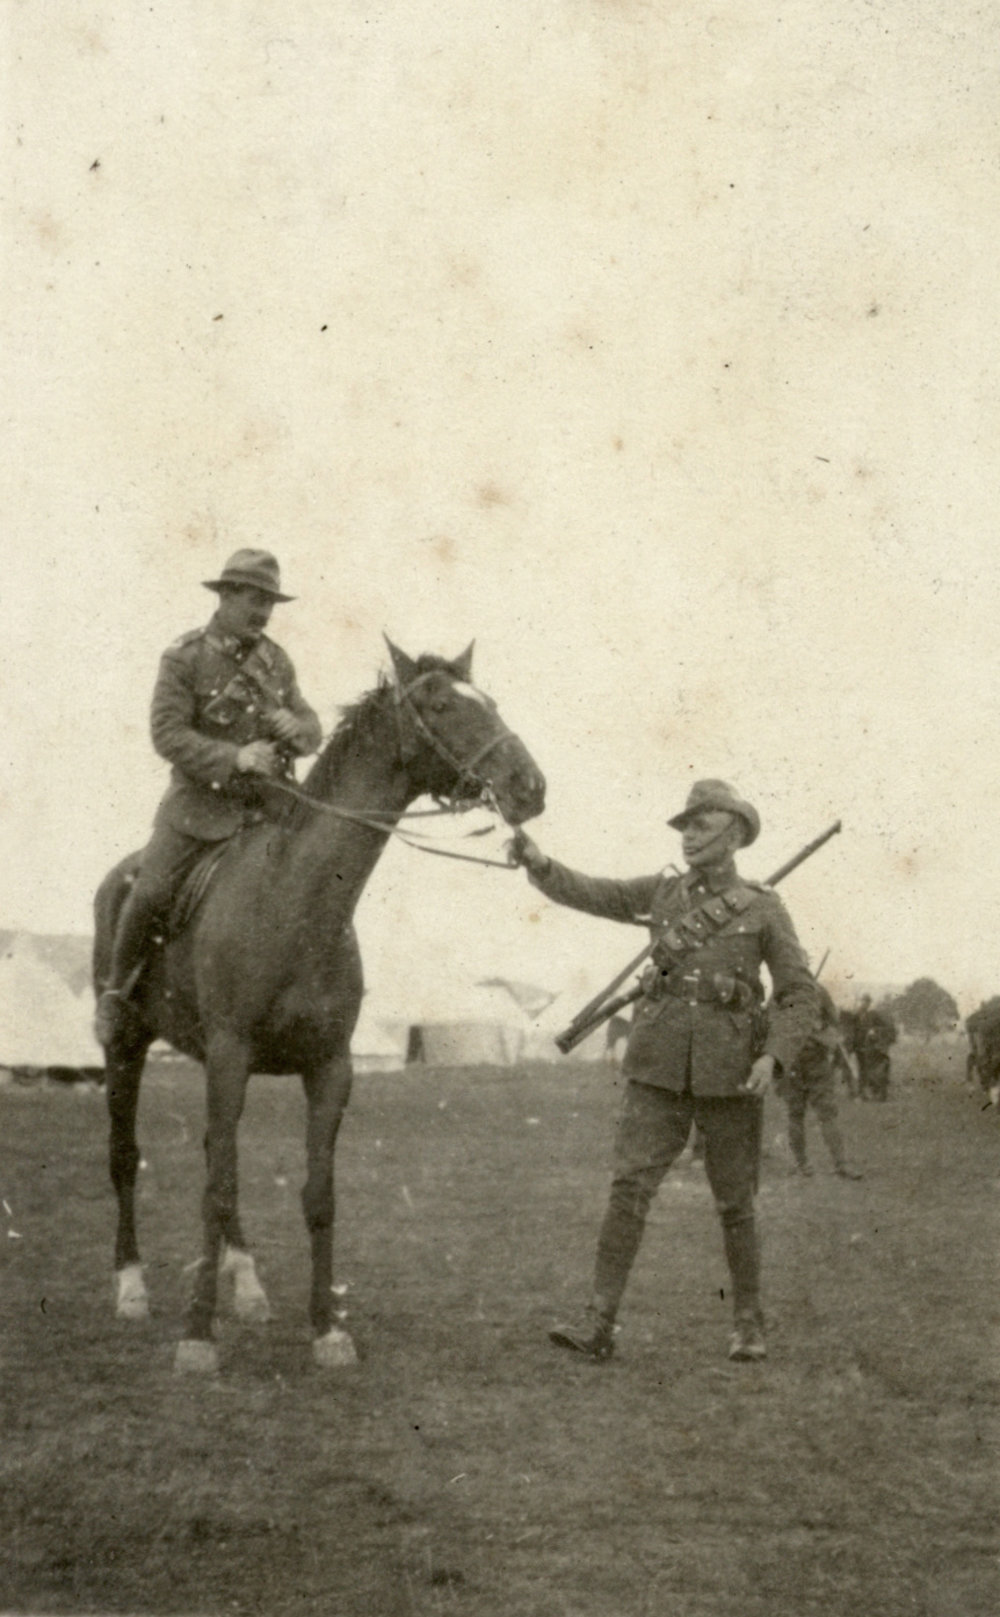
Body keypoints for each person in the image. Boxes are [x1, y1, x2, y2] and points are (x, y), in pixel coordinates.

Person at [511, 779, 817, 1364]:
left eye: (701, 826)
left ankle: (748, 1325)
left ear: (734, 834)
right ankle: (598, 1323)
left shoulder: (763, 907)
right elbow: (593, 892)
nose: (689, 837)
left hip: (731, 1072)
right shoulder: (663, 893)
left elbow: (799, 993)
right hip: (656, 1068)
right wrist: (540, 863)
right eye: (685, 827)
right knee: (628, 1190)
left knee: (735, 1203)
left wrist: (773, 1056)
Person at [94, 549, 322, 1045]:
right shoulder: (186, 657)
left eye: (269, 602)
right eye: (254, 600)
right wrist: (235, 758)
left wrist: (298, 728)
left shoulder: (276, 661)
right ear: (226, 596)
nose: (263, 612)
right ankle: (116, 996)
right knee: (149, 893)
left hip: (270, 812)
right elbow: (167, 734)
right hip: (198, 812)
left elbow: (311, 726)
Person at [781, 982, 863, 1178]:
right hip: (796, 1061)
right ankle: (806, 1164)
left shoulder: (804, 990)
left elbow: (833, 1019)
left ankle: (836, 1163)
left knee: (823, 1113)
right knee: (798, 1114)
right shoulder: (786, 990)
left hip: (812, 1060)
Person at [854, 994, 897, 1101]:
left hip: (869, 1046)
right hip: (858, 1045)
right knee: (861, 1069)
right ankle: (861, 1093)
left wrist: (874, 1031)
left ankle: (871, 1092)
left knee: (870, 1070)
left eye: (867, 1002)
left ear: (869, 1003)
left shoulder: (873, 1015)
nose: (864, 1004)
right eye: (863, 1001)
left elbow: (883, 1026)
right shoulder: (856, 1014)